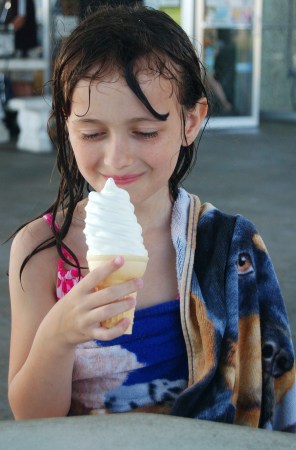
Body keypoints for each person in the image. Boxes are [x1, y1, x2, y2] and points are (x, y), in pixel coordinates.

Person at [8, 4, 296, 431]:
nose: (116, 157)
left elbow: (276, 385)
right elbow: (31, 417)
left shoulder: (228, 247)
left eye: (145, 131)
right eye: (91, 133)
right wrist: (58, 336)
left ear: (191, 120)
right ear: (66, 125)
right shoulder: (43, 252)